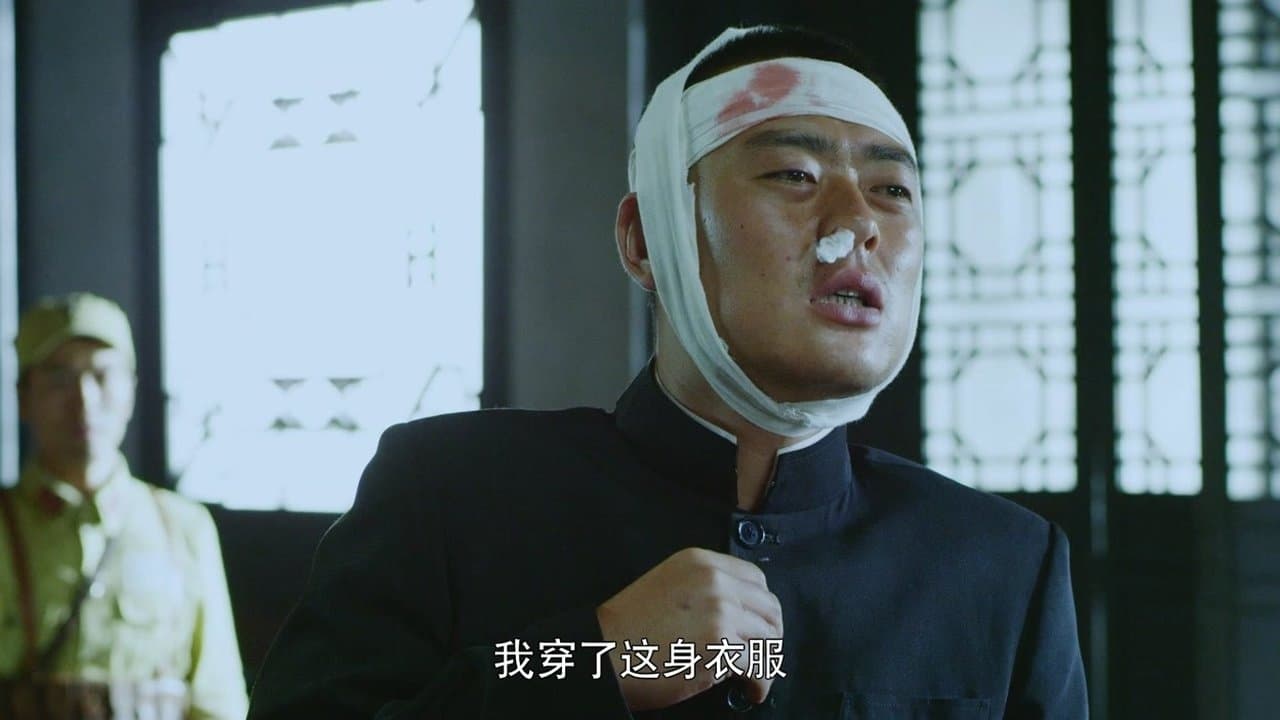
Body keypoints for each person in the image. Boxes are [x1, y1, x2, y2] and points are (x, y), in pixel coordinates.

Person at [248, 25, 1088, 719]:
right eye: (794, 175)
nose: (857, 223)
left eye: (892, 191)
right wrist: (593, 660)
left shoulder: (1001, 567)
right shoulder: (450, 494)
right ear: (646, 239)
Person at [0, 292, 249, 719]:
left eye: (103, 375)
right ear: (23, 397)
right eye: (59, 379)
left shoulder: (183, 527)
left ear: (131, 390)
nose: (84, 399)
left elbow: (217, 699)